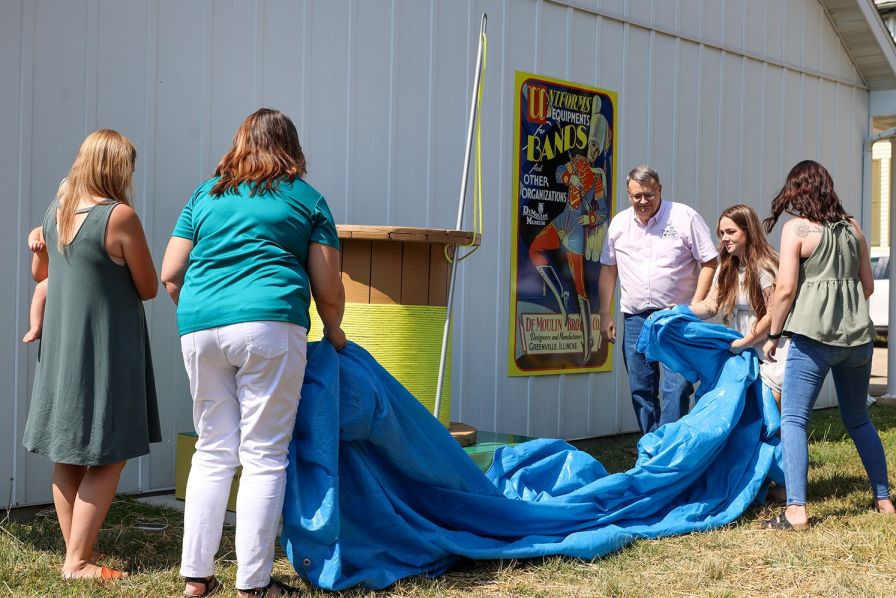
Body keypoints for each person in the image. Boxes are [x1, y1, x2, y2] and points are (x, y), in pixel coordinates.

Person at [161, 108, 347, 598]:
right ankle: (253, 585)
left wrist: (203, 312)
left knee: (213, 449)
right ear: (292, 148)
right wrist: (335, 332)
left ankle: (196, 579)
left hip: (199, 328)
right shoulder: (307, 199)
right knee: (264, 454)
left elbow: (170, 272)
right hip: (270, 325)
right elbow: (328, 289)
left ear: (240, 143)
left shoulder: (206, 193)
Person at [22, 129, 161, 580]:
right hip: (106, 348)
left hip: (62, 348)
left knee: (68, 452)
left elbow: (41, 273)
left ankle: (73, 557)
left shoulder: (54, 213)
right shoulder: (119, 217)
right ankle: (77, 562)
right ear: (117, 167)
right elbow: (148, 288)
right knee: (107, 454)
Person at [762, 160, 895, 530]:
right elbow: (868, 287)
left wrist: (774, 334)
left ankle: (796, 510)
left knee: (794, 419)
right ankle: (884, 499)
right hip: (859, 340)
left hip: (813, 340)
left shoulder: (797, 229)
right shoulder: (854, 228)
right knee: (858, 418)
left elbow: (786, 289)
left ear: (797, 190)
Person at [598, 165, 718, 434]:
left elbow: (710, 261)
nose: (642, 201)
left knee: (677, 386)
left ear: (659, 190)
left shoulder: (684, 217)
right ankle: (651, 444)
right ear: (628, 194)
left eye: (649, 195)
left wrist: (693, 307)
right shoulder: (619, 224)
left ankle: (669, 445)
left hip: (675, 317)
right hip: (635, 317)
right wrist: (604, 314)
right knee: (641, 386)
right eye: (636, 196)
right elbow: (609, 269)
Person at [689, 204, 788, 410]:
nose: (724, 238)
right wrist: (680, 313)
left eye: (731, 231)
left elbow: (772, 313)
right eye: (722, 233)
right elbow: (711, 305)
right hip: (742, 347)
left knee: (769, 411)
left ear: (748, 231)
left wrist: (745, 342)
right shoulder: (726, 267)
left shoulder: (767, 266)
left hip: (771, 349)